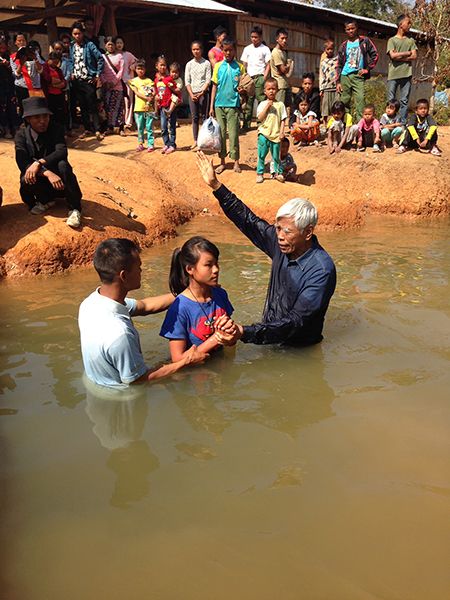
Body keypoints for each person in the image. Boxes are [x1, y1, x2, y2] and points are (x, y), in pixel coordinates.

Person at [196, 151, 336, 346]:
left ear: (308, 232)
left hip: (298, 352)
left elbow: (295, 322)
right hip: (267, 335)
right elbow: (248, 220)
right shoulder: (281, 243)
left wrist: (244, 332)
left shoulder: (321, 270)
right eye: (277, 228)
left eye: (287, 231)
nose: (279, 236)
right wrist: (216, 186)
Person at [79, 238, 208, 388]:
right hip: (119, 396)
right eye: (138, 267)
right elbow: (137, 379)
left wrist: (188, 294)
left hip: (95, 382)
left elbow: (145, 306)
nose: (141, 271)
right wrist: (186, 362)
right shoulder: (120, 334)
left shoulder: (91, 303)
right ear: (123, 276)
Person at [160, 237, 235, 363]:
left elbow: (231, 340)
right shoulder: (179, 308)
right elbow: (177, 359)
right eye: (208, 265)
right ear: (190, 269)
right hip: (195, 374)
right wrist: (216, 338)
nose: (216, 269)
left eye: (216, 263)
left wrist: (230, 336)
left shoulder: (220, 294)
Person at [15, 96, 83, 227]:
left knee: (63, 165)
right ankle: (46, 200)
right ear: (28, 119)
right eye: (37, 118)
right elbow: (22, 162)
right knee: (26, 177)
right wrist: (47, 173)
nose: (43, 121)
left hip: (60, 181)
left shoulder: (56, 129)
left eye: (45, 116)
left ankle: (75, 208)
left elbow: (61, 151)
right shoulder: (21, 136)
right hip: (42, 179)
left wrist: (39, 163)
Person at [210, 36, 245, 174]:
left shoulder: (240, 67)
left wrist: (242, 92)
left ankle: (236, 161)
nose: (228, 53)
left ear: (235, 50)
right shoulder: (218, 66)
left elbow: (244, 85)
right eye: (225, 50)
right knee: (221, 135)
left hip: (233, 105)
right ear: (222, 51)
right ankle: (222, 162)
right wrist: (211, 106)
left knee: (234, 134)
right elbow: (214, 87)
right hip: (219, 105)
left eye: (230, 50)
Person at [336, 19, 378, 123]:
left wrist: (367, 69)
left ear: (357, 28)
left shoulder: (364, 41)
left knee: (360, 100)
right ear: (345, 30)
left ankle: (361, 127)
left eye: (353, 28)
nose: (351, 31)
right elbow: (339, 64)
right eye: (348, 29)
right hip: (345, 76)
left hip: (358, 76)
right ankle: (345, 125)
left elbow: (375, 54)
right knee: (344, 101)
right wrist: (338, 81)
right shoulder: (343, 46)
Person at [69, 20, 105, 140]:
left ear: (83, 33)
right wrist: (71, 72)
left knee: (92, 105)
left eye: (79, 33)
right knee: (83, 106)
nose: (77, 36)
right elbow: (70, 61)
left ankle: (97, 129)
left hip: (88, 80)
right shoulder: (72, 47)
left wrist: (97, 75)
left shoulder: (89, 45)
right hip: (77, 81)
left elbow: (100, 59)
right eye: (75, 34)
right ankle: (87, 129)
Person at [387, 14, 417, 126]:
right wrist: (407, 53)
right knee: (391, 101)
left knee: (404, 101)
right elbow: (392, 56)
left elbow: (414, 56)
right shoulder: (392, 40)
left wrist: (399, 56)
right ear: (401, 24)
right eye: (408, 23)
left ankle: (403, 125)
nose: (410, 25)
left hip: (407, 74)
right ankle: (390, 124)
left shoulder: (411, 40)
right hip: (393, 75)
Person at [240, 25, 271, 132]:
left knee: (261, 101)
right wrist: (246, 77)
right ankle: (246, 125)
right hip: (250, 79)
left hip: (260, 78)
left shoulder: (265, 49)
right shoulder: (247, 49)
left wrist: (264, 77)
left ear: (261, 37)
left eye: (256, 37)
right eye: (252, 37)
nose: (253, 39)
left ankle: (261, 124)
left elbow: (268, 64)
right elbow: (244, 63)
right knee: (248, 102)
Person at [255, 77, 286, 184]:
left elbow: (283, 119)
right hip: (264, 133)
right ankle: (260, 173)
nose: (271, 91)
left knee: (276, 156)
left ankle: (278, 173)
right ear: (265, 91)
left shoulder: (281, 105)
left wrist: (282, 132)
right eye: (269, 89)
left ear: (277, 90)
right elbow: (259, 118)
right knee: (262, 155)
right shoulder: (262, 104)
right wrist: (267, 106)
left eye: (273, 89)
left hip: (276, 134)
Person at [185, 40, 212, 150]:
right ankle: (196, 140)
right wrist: (191, 94)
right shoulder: (189, 64)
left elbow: (208, 80)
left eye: (198, 49)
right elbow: (187, 81)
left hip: (203, 94)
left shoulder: (206, 63)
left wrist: (202, 92)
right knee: (195, 117)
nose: (196, 51)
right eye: (194, 49)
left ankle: (205, 140)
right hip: (193, 94)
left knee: (205, 117)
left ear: (201, 50)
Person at [100, 36, 126, 136]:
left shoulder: (119, 56)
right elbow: (101, 71)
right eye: (108, 44)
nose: (110, 46)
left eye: (112, 44)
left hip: (117, 86)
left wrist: (114, 82)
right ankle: (110, 127)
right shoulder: (102, 57)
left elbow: (121, 71)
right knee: (108, 107)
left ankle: (120, 128)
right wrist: (105, 82)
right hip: (106, 86)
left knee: (119, 106)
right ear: (105, 46)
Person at [128, 59, 155, 152]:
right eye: (138, 69)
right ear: (135, 70)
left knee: (149, 126)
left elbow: (153, 91)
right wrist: (146, 98)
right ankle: (140, 143)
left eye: (142, 69)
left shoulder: (149, 80)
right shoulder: (134, 81)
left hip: (149, 108)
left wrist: (149, 101)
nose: (140, 71)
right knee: (140, 127)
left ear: (145, 70)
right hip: (139, 108)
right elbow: (136, 92)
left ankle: (151, 144)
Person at [154, 56, 179, 154]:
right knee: (163, 127)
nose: (163, 67)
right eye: (161, 65)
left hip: (170, 106)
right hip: (162, 107)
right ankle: (166, 144)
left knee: (172, 126)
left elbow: (175, 90)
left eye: (165, 65)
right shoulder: (156, 80)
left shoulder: (169, 79)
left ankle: (172, 145)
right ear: (157, 66)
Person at [11, 44, 44, 117]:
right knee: (24, 109)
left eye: (23, 40)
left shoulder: (35, 54)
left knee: (37, 108)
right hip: (22, 86)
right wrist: (21, 64)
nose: (21, 42)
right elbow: (16, 75)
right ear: (15, 42)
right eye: (19, 41)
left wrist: (35, 59)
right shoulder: (13, 57)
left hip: (35, 86)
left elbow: (40, 70)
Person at [0, 36, 20, 139]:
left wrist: (7, 65)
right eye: (0, 48)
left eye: (4, 48)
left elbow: (14, 71)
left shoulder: (9, 56)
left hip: (10, 85)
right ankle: (6, 129)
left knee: (12, 107)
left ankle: (16, 129)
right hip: (0, 86)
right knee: (2, 108)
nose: (2, 50)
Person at [52, 40, 73, 135]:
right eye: (56, 49)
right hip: (54, 89)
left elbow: (69, 73)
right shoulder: (50, 62)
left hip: (64, 88)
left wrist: (62, 82)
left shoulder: (66, 61)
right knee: (56, 110)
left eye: (60, 49)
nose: (58, 51)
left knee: (66, 109)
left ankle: (68, 128)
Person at [115, 37, 137, 130]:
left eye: (121, 43)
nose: (119, 45)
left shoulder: (128, 54)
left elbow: (137, 62)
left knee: (128, 101)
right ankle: (120, 121)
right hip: (117, 82)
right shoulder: (114, 55)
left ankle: (128, 121)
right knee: (119, 102)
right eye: (117, 43)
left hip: (127, 81)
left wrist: (131, 67)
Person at [41, 51, 67, 127]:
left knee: (59, 115)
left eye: (57, 63)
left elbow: (64, 83)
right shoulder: (44, 67)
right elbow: (47, 78)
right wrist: (58, 81)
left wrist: (54, 85)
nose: (55, 64)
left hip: (58, 95)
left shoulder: (58, 70)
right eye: (54, 62)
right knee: (51, 115)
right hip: (49, 95)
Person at [270, 27, 293, 108]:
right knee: (279, 107)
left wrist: (286, 68)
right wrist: (287, 66)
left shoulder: (283, 52)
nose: (284, 41)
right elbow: (283, 69)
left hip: (285, 83)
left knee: (289, 106)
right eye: (282, 38)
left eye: (286, 38)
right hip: (279, 85)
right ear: (277, 39)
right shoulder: (276, 52)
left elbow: (285, 70)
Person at [319, 40, 338, 125]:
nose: (330, 51)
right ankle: (324, 124)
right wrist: (321, 88)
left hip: (336, 87)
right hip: (327, 87)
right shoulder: (323, 62)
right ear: (324, 50)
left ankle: (336, 123)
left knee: (336, 105)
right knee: (325, 107)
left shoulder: (337, 60)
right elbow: (321, 75)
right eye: (328, 49)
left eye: (331, 49)